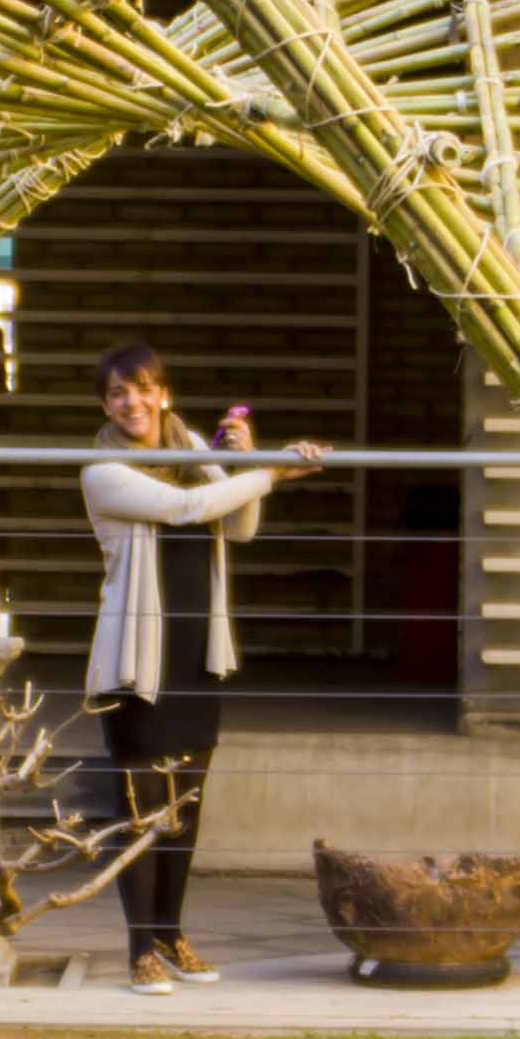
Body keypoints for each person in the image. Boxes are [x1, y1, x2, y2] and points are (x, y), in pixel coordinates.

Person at [79, 339, 328, 996]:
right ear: (107, 404)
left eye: (141, 388)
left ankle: (170, 932)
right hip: (140, 661)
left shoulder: (194, 454)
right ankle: (140, 950)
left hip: (196, 656)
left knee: (184, 807)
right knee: (142, 810)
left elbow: (238, 525)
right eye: (116, 393)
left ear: (163, 393)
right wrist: (272, 471)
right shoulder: (102, 470)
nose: (130, 402)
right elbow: (187, 509)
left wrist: (243, 465)